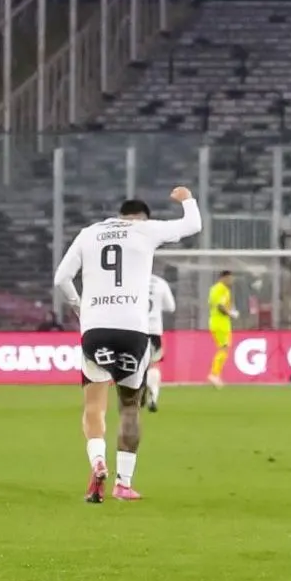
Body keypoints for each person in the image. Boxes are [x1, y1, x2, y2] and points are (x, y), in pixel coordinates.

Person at [54, 187, 201, 503]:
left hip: (95, 331)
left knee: (94, 405)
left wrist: (79, 306)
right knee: (130, 407)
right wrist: (187, 198)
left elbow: (61, 278)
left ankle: (97, 461)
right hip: (134, 332)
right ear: (143, 218)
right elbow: (193, 226)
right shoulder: (146, 230)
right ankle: (124, 482)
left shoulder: (89, 233)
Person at [145, 274, 176, 412]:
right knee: (154, 364)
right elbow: (171, 307)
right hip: (154, 330)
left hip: (135, 329)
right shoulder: (161, 282)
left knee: (135, 364)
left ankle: (137, 393)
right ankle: (153, 394)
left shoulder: (132, 279)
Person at [204, 269, 238, 387]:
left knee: (224, 349)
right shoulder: (222, 289)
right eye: (230, 278)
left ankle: (216, 374)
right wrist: (231, 313)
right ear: (223, 278)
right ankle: (214, 374)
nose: (231, 281)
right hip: (221, 323)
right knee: (224, 348)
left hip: (216, 322)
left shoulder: (214, 289)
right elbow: (220, 306)